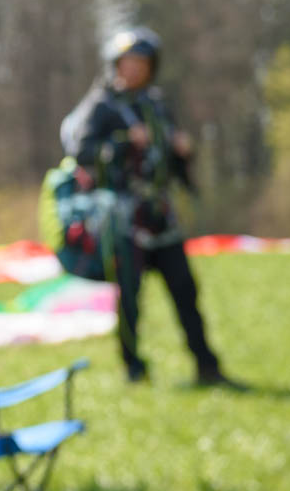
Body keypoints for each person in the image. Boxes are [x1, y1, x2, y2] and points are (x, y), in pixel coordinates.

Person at [63, 26, 242, 388]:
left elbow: (168, 161)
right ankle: (133, 369)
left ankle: (207, 366)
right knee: (130, 298)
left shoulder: (156, 105)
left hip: (161, 216)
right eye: (128, 63)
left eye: (141, 63)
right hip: (124, 220)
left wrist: (182, 152)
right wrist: (123, 142)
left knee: (185, 290)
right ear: (116, 65)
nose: (134, 70)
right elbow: (82, 152)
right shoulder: (102, 106)